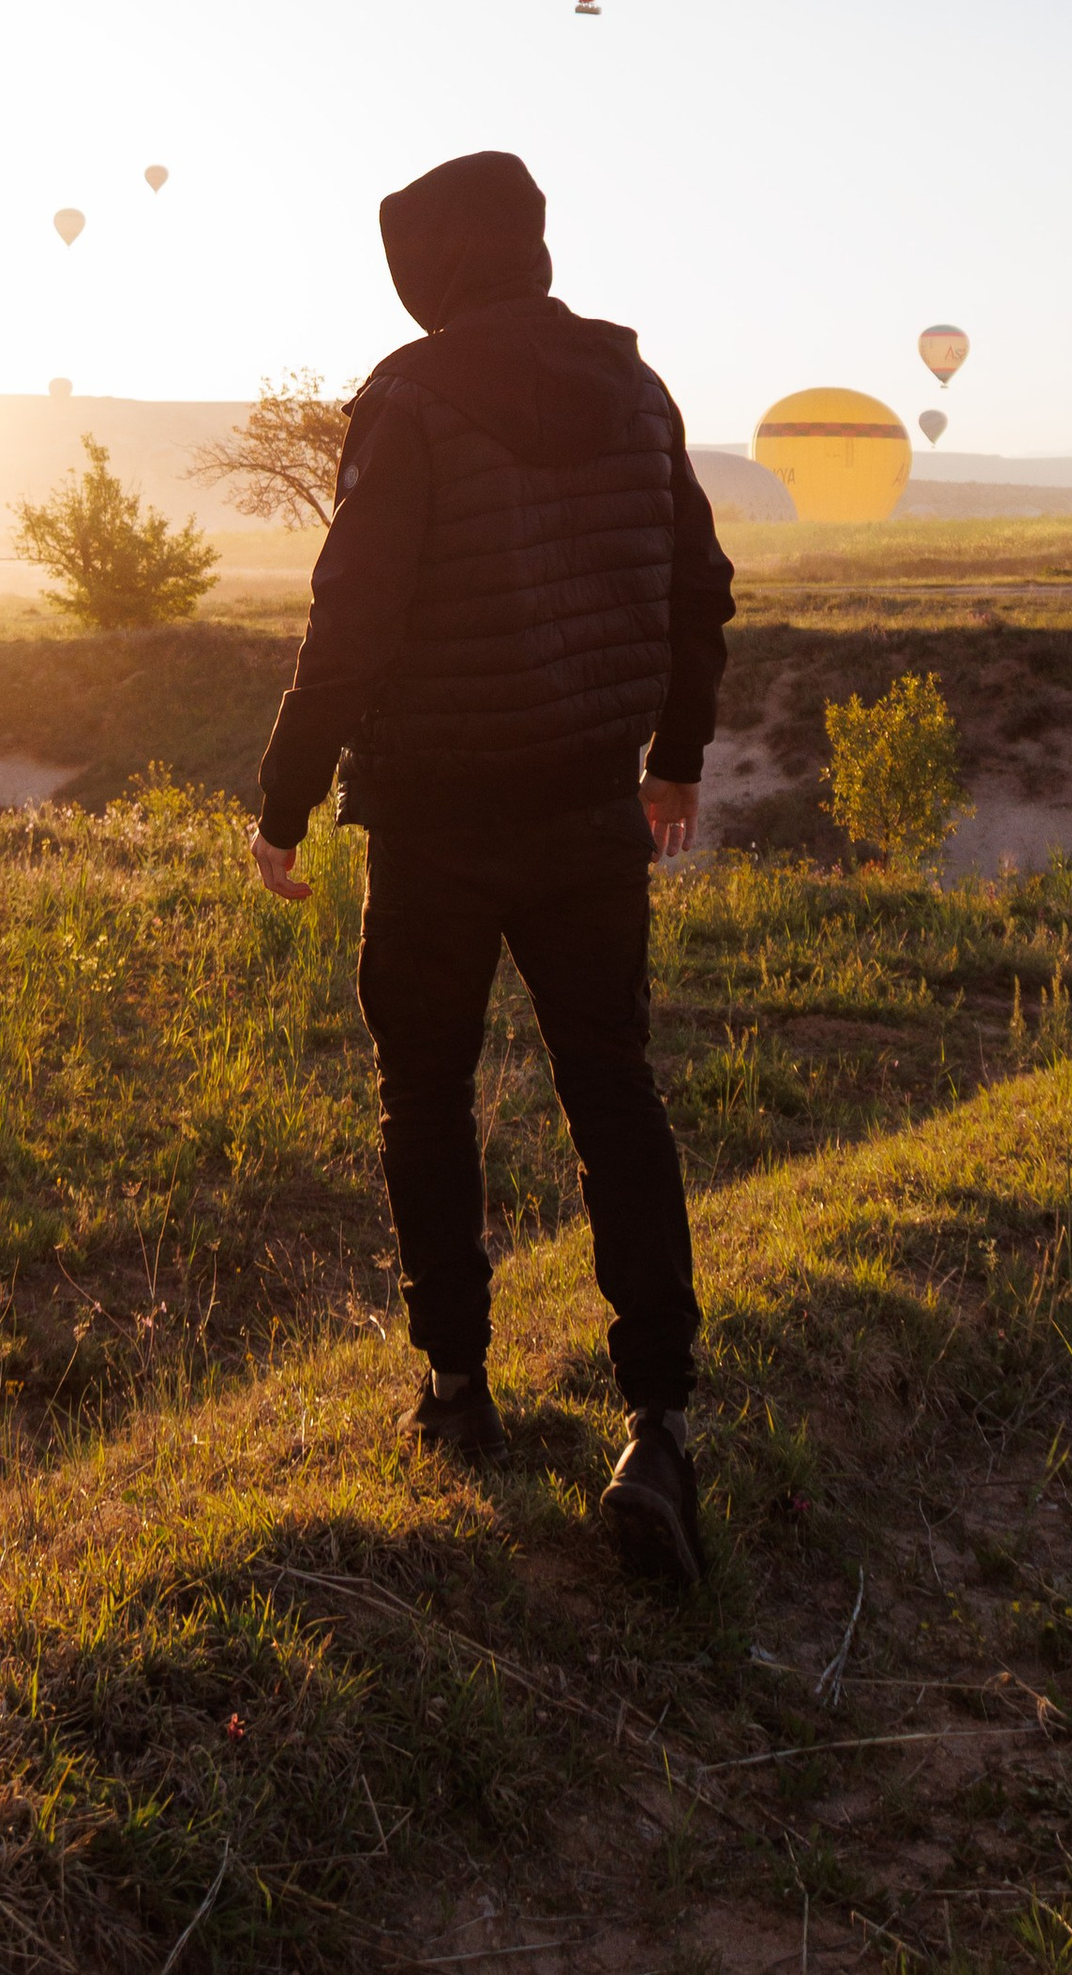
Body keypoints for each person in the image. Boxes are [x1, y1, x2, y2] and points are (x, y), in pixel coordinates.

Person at [249, 149, 736, 1585]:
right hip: (591, 815)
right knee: (615, 1098)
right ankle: (657, 1420)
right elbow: (697, 586)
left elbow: (353, 623)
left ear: (433, 265)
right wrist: (675, 757)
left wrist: (283, 800)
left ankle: (459, 1396)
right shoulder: (636, 392)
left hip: (439, 824)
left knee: (428, 1106)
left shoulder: (409, 400)